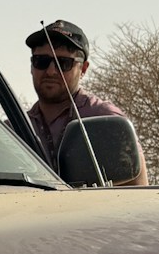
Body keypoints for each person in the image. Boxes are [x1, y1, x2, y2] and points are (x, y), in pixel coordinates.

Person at [23, 20, 148, 184]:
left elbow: (136, 188)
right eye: (41, 61)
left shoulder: (105, 118)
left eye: (63, 63)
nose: (51, 71)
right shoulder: (12, 129)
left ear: (83, 69)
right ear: (32, 65)